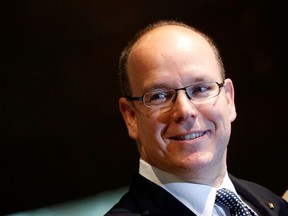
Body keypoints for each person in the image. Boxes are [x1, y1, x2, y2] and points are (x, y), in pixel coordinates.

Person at [104, 20, 288, 216]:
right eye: (159, 96)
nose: (184, 110)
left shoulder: (271, 205)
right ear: (130, 116)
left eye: (201, 89)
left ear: (228, 99)